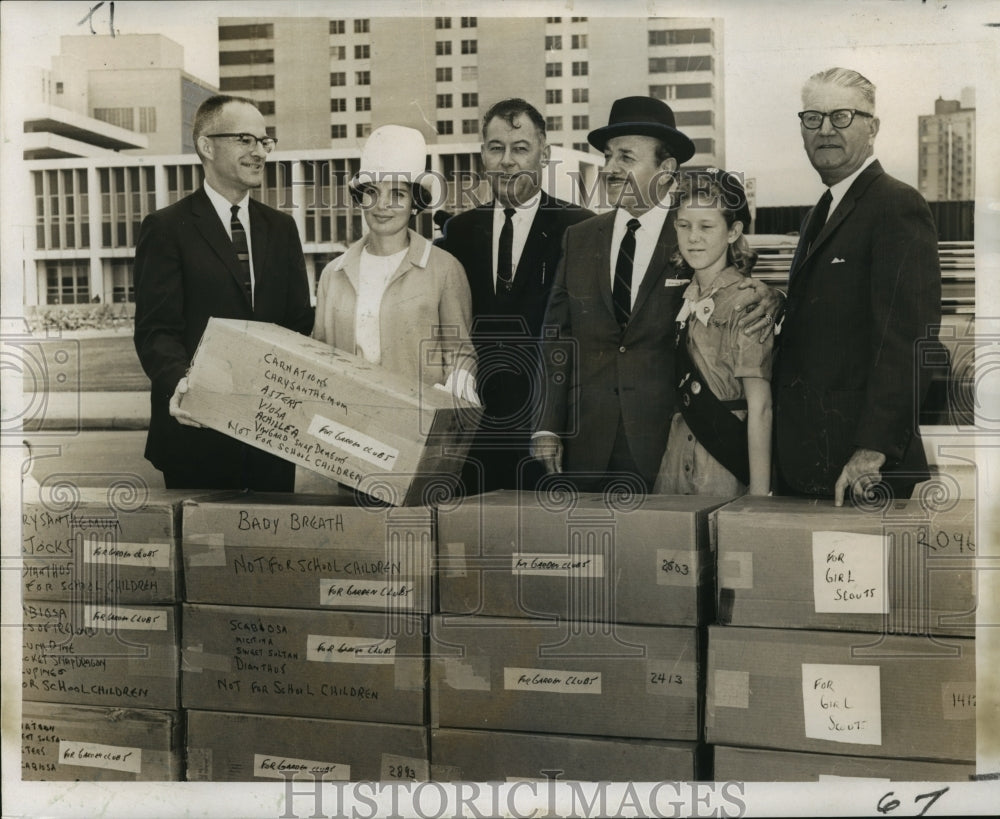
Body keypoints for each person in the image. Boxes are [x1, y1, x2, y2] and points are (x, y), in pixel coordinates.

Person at [533, 96, 782, 492]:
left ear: (666, 170)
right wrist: (546, 425)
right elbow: (556, 339)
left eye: (626, 158)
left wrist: (775, 299)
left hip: (667, 447)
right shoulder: (580, 238)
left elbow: (735, 294)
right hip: (585, 443)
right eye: (609, 156)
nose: (611, 168)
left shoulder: (693, 235)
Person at [774, 67, 941, 505]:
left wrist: (873, 451)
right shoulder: (821, 212)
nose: (825, 130)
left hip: (863, 469)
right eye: (813, 118)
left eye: (841, 116)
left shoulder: (896, 205)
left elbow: (909, 341)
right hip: (813, 461)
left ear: (873, 127)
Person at [133, 94, 313, 491]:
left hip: (270, 440)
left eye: (264, 142)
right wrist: (182, 385)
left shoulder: (282, 229)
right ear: (206, 145)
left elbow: (298, 324)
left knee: (270, 551)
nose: (259, 152)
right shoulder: (166, 228)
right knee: (205, 554)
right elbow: (156, 330)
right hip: (195, 436)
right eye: (245, 140)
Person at [437, 98, 594, 492]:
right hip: (473, 438)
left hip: (548, 437)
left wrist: (552, 425)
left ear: (545, 155)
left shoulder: (581, 230)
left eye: (520, 148)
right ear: (483, 156)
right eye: (496, 148)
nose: (507, 161)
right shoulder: (457, 234)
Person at [312, 124, 478, 401]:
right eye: (372, 192)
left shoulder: (445, 269)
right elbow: (318, 353)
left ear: (415, 204)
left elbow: (460, 354)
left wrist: (455, 394)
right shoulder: (334, 273)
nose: (382, 205)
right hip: (346, 423)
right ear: (360, 198)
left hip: (414, 427)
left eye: (398, 194)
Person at [653, 170, 772, 497]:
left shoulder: (748, 302)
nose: (693, 237)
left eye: (706, 227)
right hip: (675, 463)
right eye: (684, 225)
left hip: (722, 465)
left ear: (733, 231)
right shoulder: (680, 298)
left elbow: (760, 407)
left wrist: (759, 498)